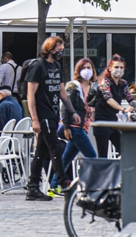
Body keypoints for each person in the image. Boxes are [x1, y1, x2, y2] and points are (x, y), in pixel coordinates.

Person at [24, 36, 80, 201]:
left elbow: (63, 92)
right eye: (58, 49)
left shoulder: (56, 65)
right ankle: (63, 183)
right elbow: (30, 94)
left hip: (53, 112)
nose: (60, 52)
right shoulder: (37, 66)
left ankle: (32, 187)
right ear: (49, 49)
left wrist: (73, 111)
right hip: (43, 113)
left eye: (62, 49)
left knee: (40, 152)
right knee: (55, 148)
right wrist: (34, 118)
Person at [50, 58, 97, 192]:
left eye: (89, 68)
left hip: (83, 127)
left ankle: (53, 186)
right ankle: (94, 185)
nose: (87, 71)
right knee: (92, 157)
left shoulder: (92, 88)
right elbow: (65, 106)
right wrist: (66, 127)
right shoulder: (74, 86)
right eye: (84, 68)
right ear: (78, 71)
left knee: (65, 160)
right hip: (75, 128)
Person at [89, 53, 135, 159]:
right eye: (116, 67)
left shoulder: (123, 83)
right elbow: (108, 99)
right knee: (103, 156)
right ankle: (102, 175)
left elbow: (130, 98)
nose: (119, 70)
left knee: (124, 150)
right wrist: (123, 109)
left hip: (113, 122)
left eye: (121, 67)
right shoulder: (105, 82)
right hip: (102, 123)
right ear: (109, 68)